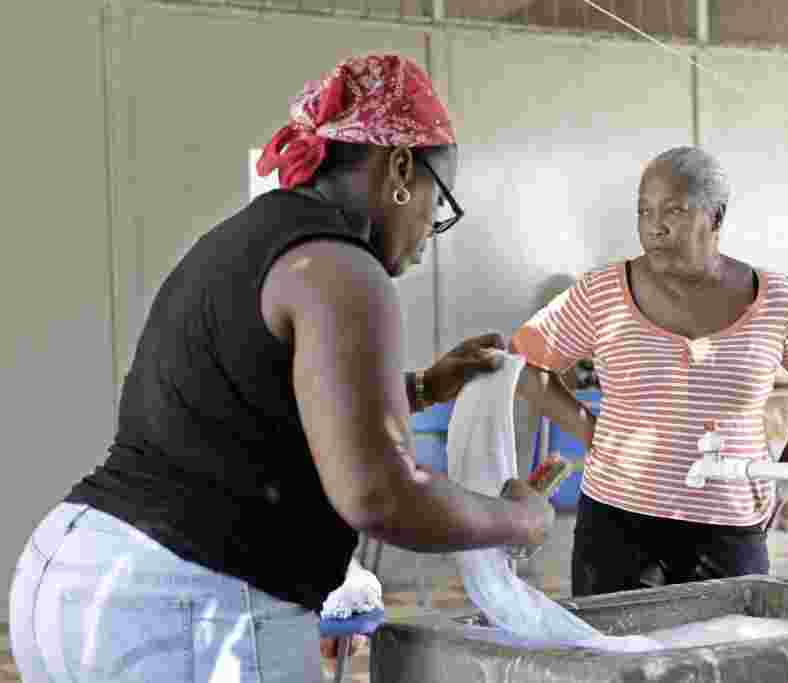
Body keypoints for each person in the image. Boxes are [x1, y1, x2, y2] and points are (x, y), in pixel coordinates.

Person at [8, 53, 553, 683]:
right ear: (402, 166)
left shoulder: (255, 238)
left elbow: (267, 401)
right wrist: (520, 519)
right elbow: (381, 495)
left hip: (74, 578)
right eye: (439, 205)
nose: (431, 233)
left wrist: (424, 388)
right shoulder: (342, 269)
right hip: (190, 609)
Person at [511, 146, 788, 597]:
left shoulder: (776, 299)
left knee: (730, 654)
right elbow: (524, 366)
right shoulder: (601, 293)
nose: (655, 226)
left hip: (730, 524)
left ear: (716, 217)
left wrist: (785, 476)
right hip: (618, 520)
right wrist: (589, 430)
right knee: (617, 658)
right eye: (644, 211)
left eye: (673, 210)